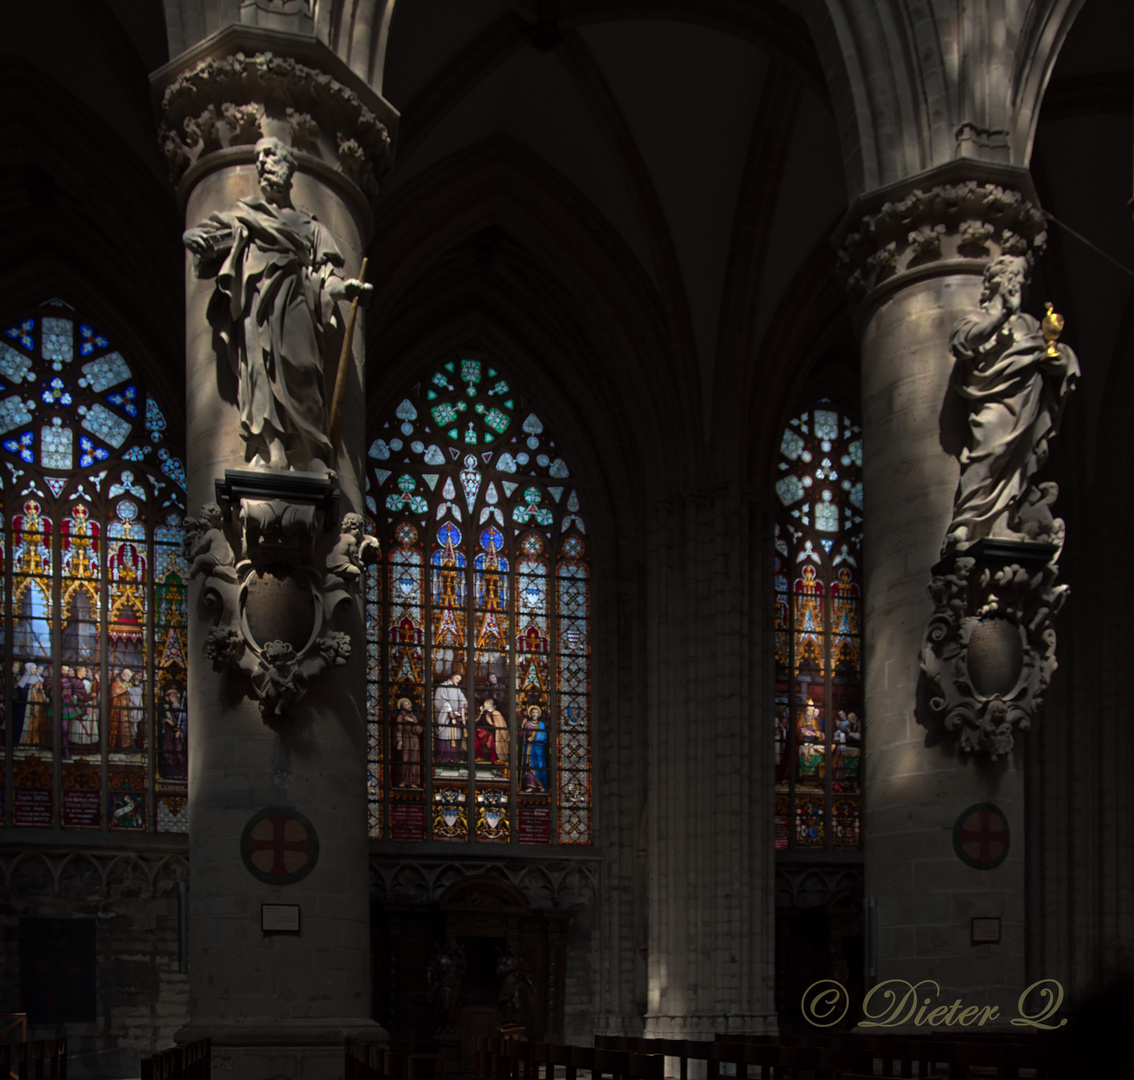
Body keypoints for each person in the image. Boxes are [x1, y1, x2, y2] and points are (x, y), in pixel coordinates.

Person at [183, 136, 371, 472]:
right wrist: (191, 237)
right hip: (256, 306)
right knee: (257, 374)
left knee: (302, 368)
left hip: (296, 299)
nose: (264, 165)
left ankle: (315, 452)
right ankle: (274, 450)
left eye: (271, 157)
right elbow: (207, 238)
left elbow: (327, 275)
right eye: (259, 160)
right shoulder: (245, 213)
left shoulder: (310, 226)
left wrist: (347, 289)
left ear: (288, 167)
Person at [943, 255, 1079, 553]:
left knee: (1015, 469)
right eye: (1011, 278)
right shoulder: (978, 319)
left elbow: (1049, 355)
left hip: (1026, 404)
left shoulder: (1028, 323)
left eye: (1020, 279)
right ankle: (968, 518)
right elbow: (962, 342)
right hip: (992, 406)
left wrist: (1059, 358)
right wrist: (1001, 316)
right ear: (994, 283)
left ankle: (1002, 523)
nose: (1016, 285)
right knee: (987, 454)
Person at [433, 670, 467, 764]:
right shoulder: (442, 686)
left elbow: (462, 699)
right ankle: (443, 758)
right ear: (451, 676)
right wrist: (448, 710)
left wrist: (463, 706)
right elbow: (439, 701)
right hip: (445, 718)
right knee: (445, 738)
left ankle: (454, 758)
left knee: (455, 739)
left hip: (455, 717)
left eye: (459, 680)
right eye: (456, 678)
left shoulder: (456, 688)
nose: (457, 681)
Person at [392, 698, 424, 787]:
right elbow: (398, 730)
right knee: (405, 759)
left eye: (409, 705)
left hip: (414, 739)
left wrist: (412, 720)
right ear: (402, 707)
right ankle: (402, 781)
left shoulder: (413, 716)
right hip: (405, 739)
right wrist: (399, 741)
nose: (408, 706)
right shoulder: (400, 716)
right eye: (406, 705)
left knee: (415, 759)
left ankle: (413, 781)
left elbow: (419, 729)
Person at [159, 686, 188, 780]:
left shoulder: (181, 709)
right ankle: (169, 773)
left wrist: (180, 731)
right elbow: (161, 719)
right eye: (169, 697)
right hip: (169, 735)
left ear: (176, 697)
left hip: (177, 736)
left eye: (172, 697)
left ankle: (181, 773)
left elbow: (184, 722)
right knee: (168, 754)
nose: (171, 700)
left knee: (179, 753)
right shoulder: (168, 710)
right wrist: (166, 720)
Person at [520, 705, 549, 792]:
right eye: (533, 712)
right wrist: (522, 726)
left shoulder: (541, 725)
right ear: (530, 714)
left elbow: (544, 737)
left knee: (539, 765)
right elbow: (521, 735)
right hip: (530, 747)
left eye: (536, 712)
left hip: (539, 749)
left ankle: (541, 786)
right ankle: (531, 786)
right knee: (530, 765)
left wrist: (533, 738)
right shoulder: (527, 724)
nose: (534, 714)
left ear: (539, 714)